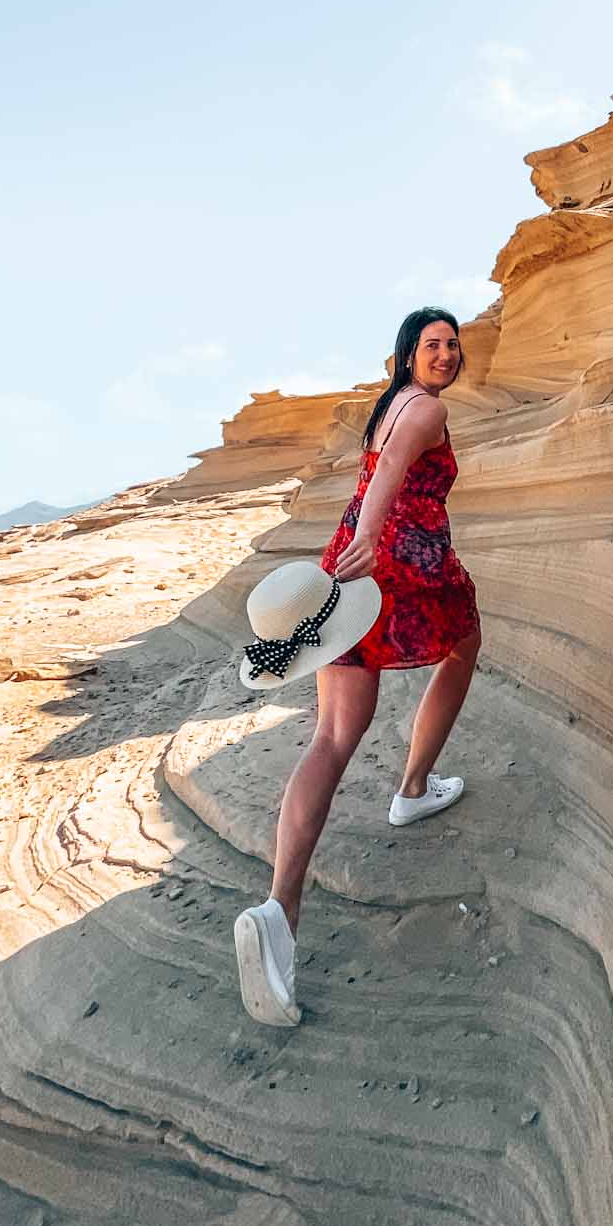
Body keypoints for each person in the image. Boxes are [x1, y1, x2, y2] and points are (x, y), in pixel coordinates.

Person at [232, 307, 482, 1025]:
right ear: (407, 355)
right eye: (433, 343)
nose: (446, 353)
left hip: (342, 566)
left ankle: (281, 910)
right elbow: (396, 471)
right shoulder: (423, 409)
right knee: (465, 642)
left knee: (333, 736)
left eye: (453, 344)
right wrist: (373, 539)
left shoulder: (387, 408)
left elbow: (377, 469)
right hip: (400, 563)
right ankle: (411, 785)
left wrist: (356, 544)